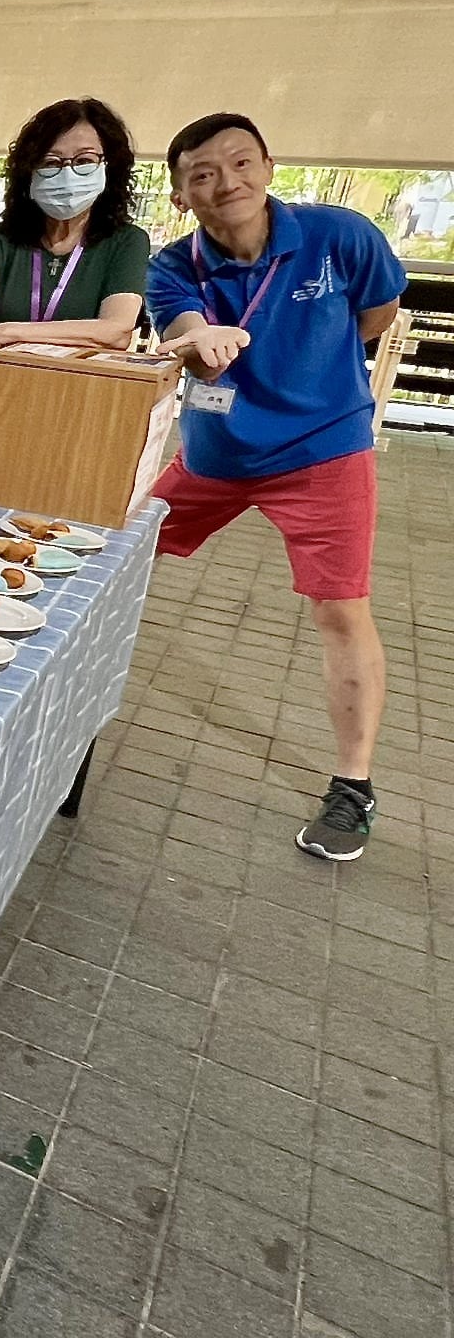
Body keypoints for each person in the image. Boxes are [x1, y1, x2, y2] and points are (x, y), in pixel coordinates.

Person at [145, 113, 406, 862]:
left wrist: (321, 376)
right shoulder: (173, 265)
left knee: (340, 609)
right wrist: (200, 340)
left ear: (267, 165)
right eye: (202, 173)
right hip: (214, 455)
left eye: (240, 163)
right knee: (112, 549)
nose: (225, 182)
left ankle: (353, 786)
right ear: (180, 193)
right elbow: (185, 331)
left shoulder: (339, 235)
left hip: (326, 454)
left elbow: (377, 311)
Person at [0, 97, 151, 434]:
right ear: (29, 171)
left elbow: (115, 330)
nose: (67, 173)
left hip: (61, 415)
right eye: (51, 162)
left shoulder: (125, 242)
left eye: (84, 160)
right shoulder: (1, 237)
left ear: (109, 167)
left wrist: (5, 333)